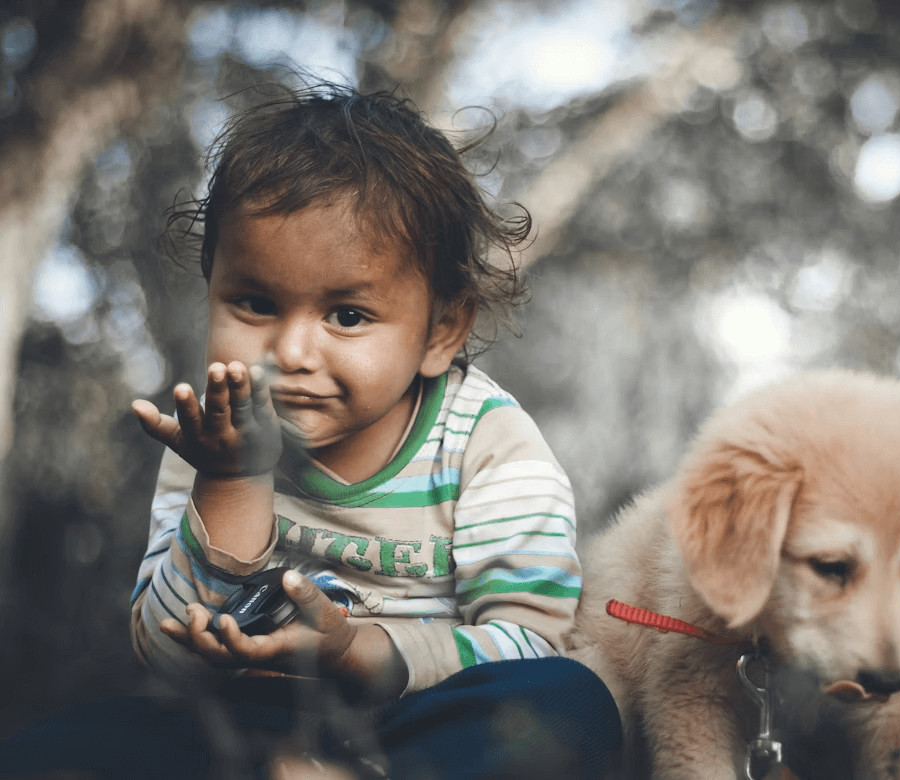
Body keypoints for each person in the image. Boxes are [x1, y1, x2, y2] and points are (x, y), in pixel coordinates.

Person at [0, 84, 620, 779]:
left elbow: (529, 641)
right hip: (241, 722)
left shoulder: (486, 442)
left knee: (570, 703)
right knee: (57, 748)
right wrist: (231, 483)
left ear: (441, 329)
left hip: (424, 724)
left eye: (347, 315)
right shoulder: (215, 437)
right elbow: (165, 651)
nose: (291, 351)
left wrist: (361, 651)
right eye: (256, 303)